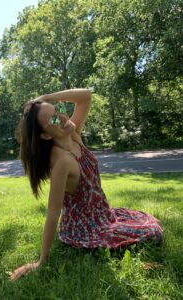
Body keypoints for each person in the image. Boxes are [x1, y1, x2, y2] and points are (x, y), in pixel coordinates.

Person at [10, 88, 163, 281]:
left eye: (58, 111)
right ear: (47, 136)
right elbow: (52, 212)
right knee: (153, 232)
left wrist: (45, 98)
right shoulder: (62, 161)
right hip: (85, 227)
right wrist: (41, 260)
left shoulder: (73, 135)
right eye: (54, 120)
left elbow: (85, 96)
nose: (63, 118)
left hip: (103, 214)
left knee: (150, 222)